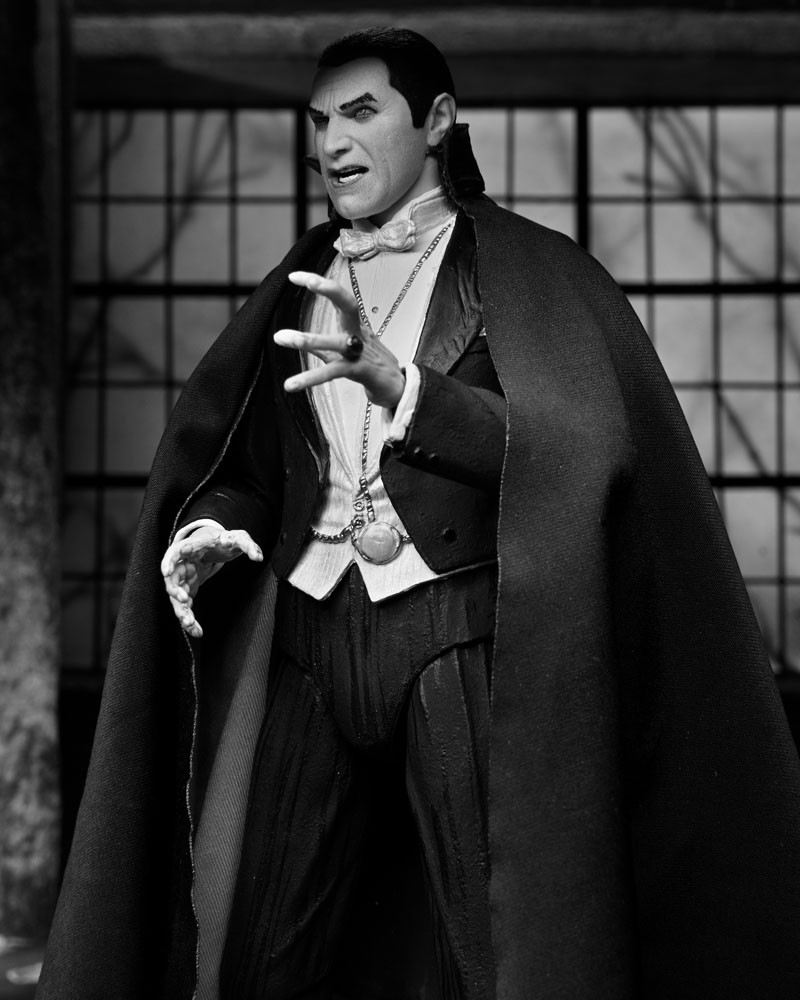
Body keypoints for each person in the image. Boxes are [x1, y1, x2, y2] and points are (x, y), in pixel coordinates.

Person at [39, 26, 800, 1000]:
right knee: (266, 947)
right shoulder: (300, 283)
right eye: (319, 119)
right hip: (312, 636)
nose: (332, 142)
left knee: (495, 940)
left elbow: (571, 451)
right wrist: (212, 526)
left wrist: (406, 390)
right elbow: (253, 461)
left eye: (361, 113)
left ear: (438, 120)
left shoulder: (525, 274)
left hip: (453, 633)